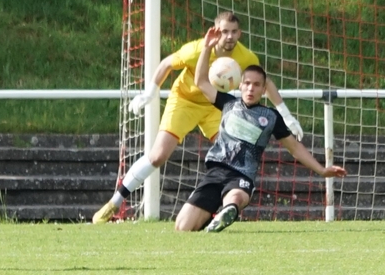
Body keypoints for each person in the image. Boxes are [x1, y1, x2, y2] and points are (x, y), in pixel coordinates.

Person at [92, 11, 304, 223]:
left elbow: (265, 82)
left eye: (233, 32)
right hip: (185, 101)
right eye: (224, 31)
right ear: (216, 31)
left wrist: (286, 116)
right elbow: (166, 64)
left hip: (215, 107)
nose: (229, 36)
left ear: (239, 33)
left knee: (236, 154)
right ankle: (114, 203)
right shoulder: (195, 50)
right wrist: (150, 93)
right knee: (157, 156)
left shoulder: (247, 57)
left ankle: (224, 207)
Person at [174, 26, 347, 232]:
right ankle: (214, 218)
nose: (251, 88)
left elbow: (294, 148)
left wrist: (322, 170)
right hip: (215, 172)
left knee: (236, 198)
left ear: (264, 90)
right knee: (182, 227)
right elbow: (201, 81)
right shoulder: (228, 104)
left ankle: (227, 211)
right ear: (240, 85)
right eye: (247, 83)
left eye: (256, 85)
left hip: (241, 176)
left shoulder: (271, 117)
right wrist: (206, 48)